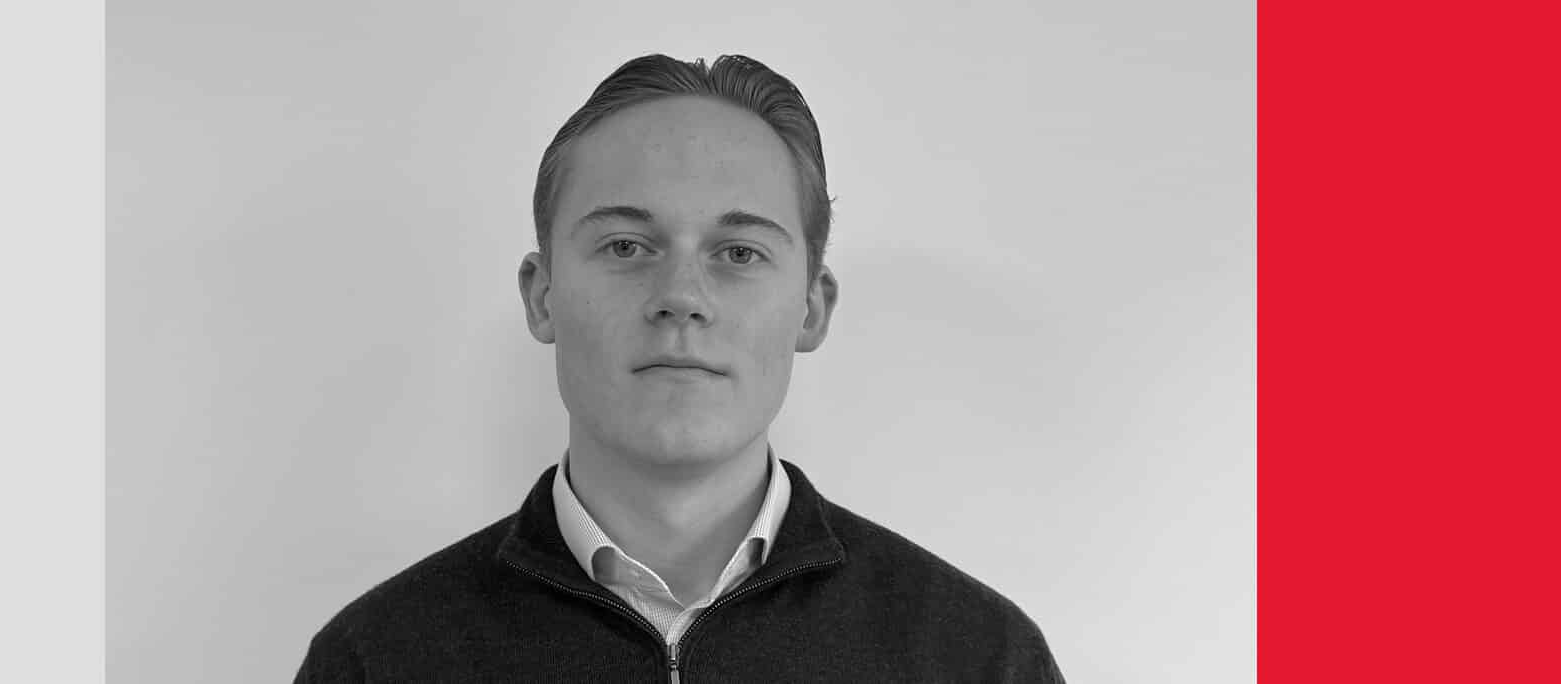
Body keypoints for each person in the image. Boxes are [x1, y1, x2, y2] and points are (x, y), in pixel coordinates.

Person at [293, 53, 1064, 683]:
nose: (681, 298)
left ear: (812, 306)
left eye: (738, 253)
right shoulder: (376, 660)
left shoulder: (978, 658)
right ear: (542, 296)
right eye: (627, 246)